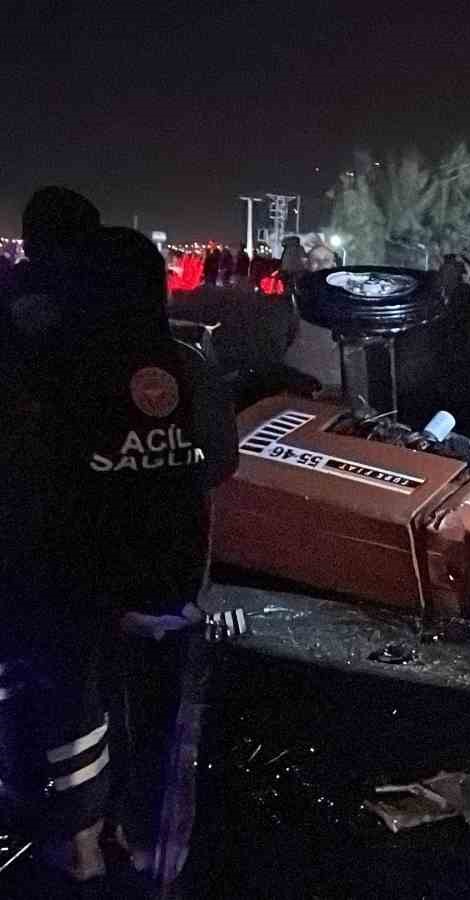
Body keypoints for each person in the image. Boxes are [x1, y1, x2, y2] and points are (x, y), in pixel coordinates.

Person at [2, 222, 237, 897]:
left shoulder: (61, 367)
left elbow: (34, 473)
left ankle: (81, 846)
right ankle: (145, 840)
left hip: (84, 580)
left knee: (79, 705)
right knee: (159, 710)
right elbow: (220, 462)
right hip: (173, 578)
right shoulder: (191, 364)